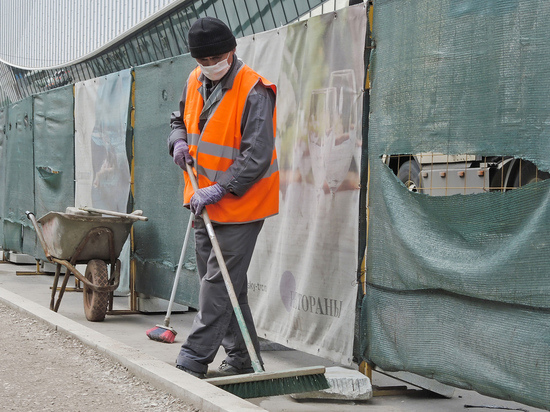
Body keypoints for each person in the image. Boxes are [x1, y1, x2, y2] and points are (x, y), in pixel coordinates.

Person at [167, 16, 279, 379]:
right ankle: (242, 357)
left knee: (217, 283)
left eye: (216, 58)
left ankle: (193, 358)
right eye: (203, 61)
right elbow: (178, 119)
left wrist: (221, 187)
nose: (210, 66)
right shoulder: (193, 79)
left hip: (240, 205)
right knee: (227, 285)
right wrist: (178, 141)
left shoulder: (254, 89)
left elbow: (257, 156)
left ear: (232, 51)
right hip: (203, 202)